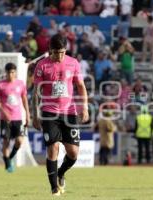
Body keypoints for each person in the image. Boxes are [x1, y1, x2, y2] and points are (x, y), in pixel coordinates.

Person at [32, 34, 89, 196]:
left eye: (63, 52)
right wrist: (35, 115)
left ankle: (61, 172)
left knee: (73, 153)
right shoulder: (42, 65)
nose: (60, 56)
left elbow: (81, 86)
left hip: (69, 113)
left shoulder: (73, 63)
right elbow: (36, 93)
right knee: (53, 149)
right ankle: (54, 188)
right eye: (57, 52)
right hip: (49, 112)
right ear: (50, 50)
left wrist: (84, 108)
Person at [0, 63, 30, 172]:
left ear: (15, 72)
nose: (10, 74)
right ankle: (8, 165)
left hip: (18, 118)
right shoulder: (0, 85)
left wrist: (28, 114)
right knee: (6, 141)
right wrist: (4, 112)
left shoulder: (20, 84)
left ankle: (10, 158)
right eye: (9, 72)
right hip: (5, 119)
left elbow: (24, 99)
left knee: (19, 141)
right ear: (5, 73)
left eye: (13, 72)